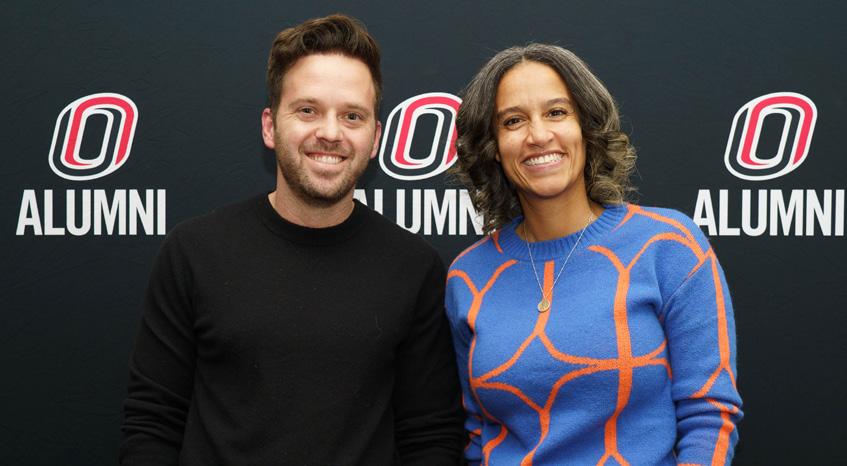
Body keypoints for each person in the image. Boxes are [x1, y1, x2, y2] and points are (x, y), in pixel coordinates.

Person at [120, 14, 465, 466]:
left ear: (376, 137)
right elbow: (152, 424)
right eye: (307, 110)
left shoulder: (414, 267)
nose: (330, 133)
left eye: (352, 116)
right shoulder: (194, 253)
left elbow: (431, 437)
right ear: (270, 126)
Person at [446, 44, 742, 465]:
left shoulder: (667, 245)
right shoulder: (468, 276)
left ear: (586, 126)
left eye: (556, 112)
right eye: (513, 121)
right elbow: (476, 435)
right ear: (493, 145)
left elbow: (709, 415)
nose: (538, 135)